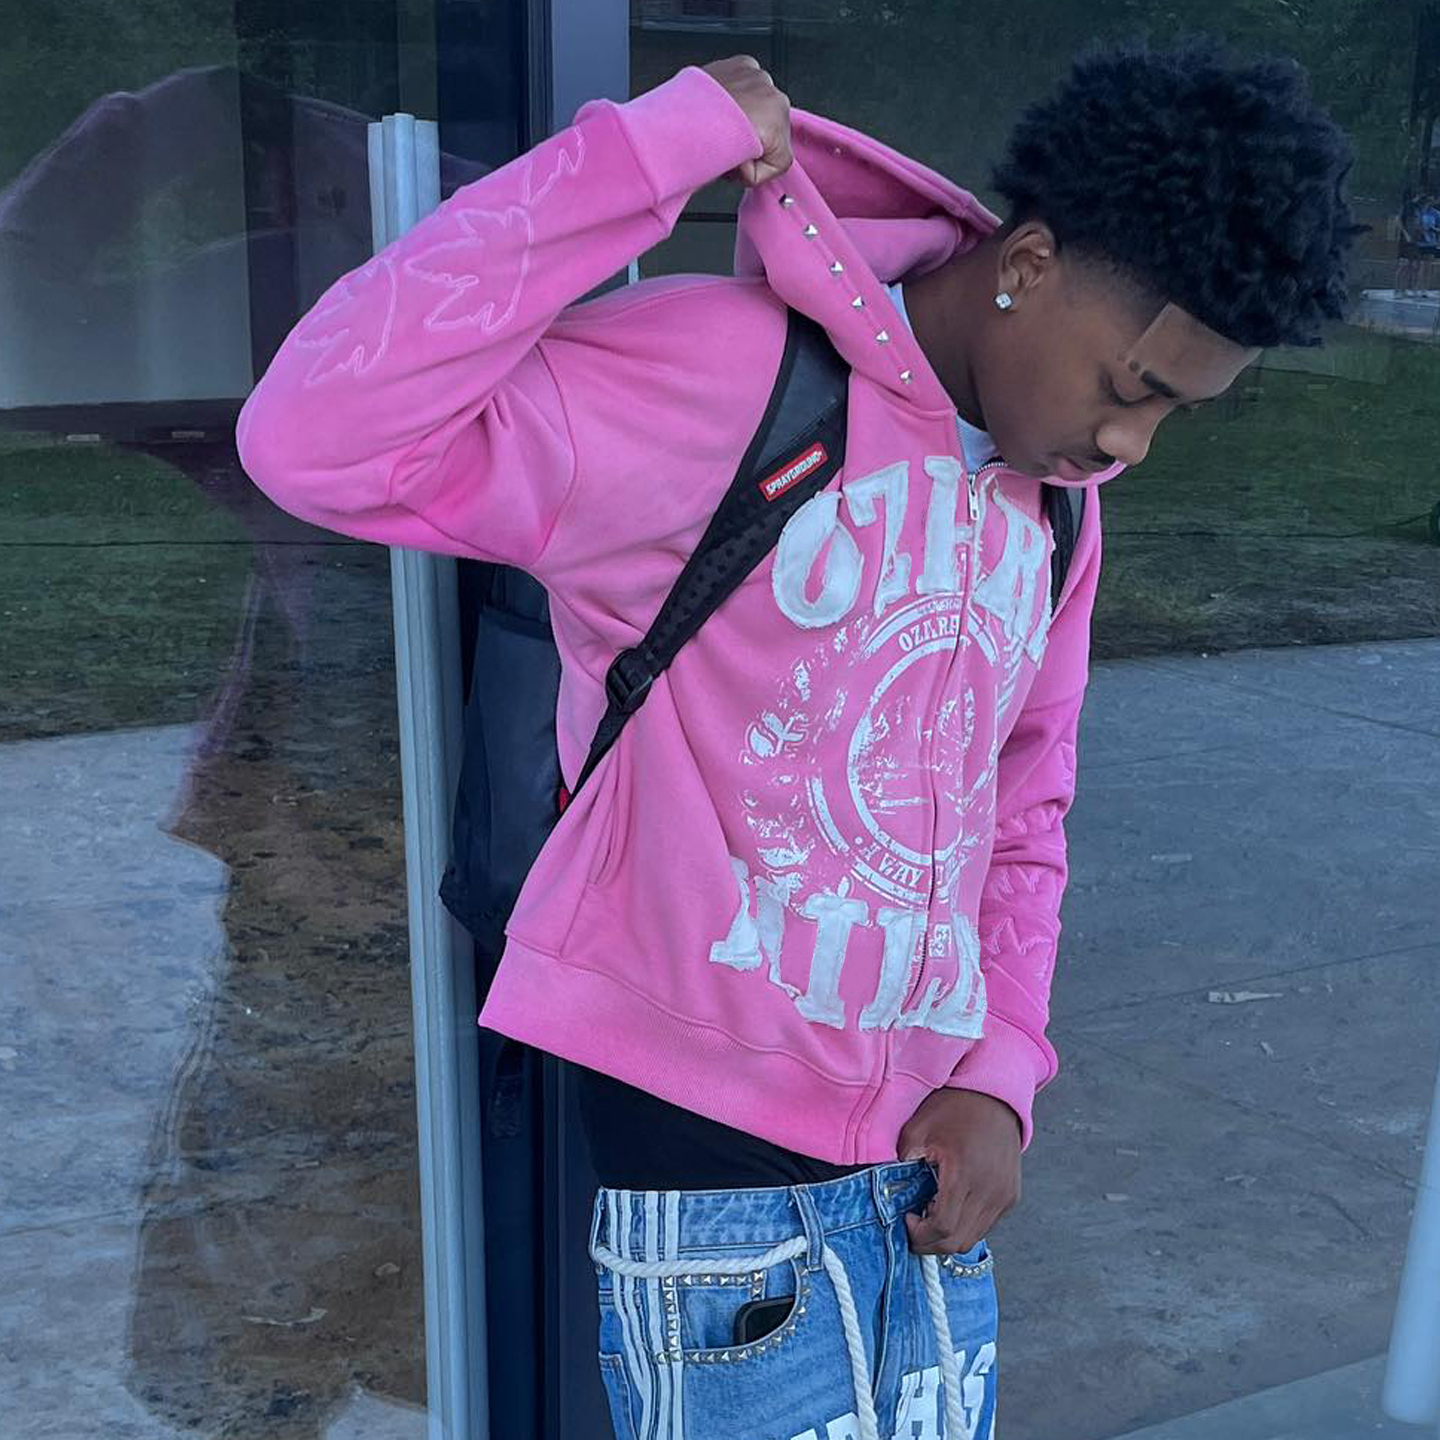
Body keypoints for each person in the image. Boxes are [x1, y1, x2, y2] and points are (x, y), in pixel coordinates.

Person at [237, 38, 1358, 1440]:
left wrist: (1000, 1071)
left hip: (927, 1165)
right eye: (1131, 386)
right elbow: (317, 434)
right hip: (701, 1143)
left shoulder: (1057, 510)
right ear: (1029, 264)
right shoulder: (727, 383)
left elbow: (1027, 806)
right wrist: (639, 159)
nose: (1132, 442)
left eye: (1174, 412)